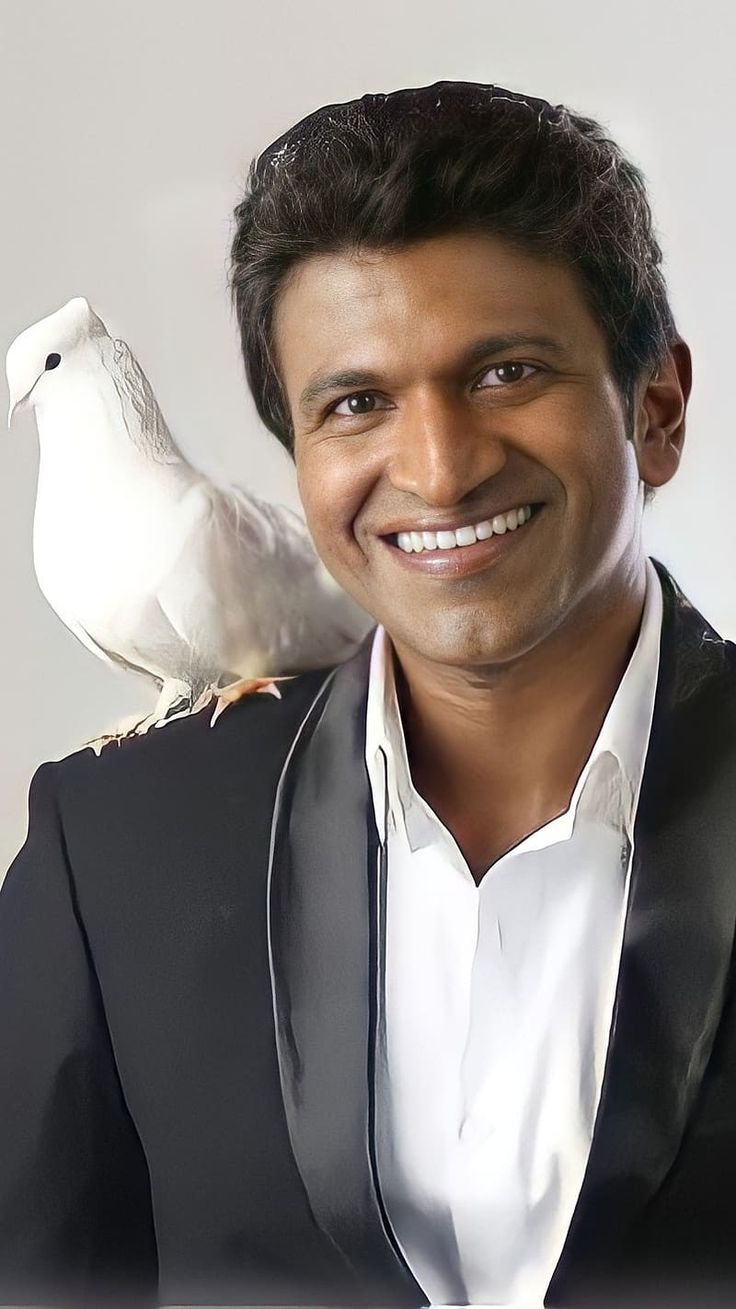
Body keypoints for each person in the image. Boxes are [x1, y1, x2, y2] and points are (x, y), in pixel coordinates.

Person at [0, 78, 734, 1309]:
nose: (438, 469)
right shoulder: (109, 854)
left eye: (505, 373)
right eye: (356, 403)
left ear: (654, 408)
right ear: (297, 453)